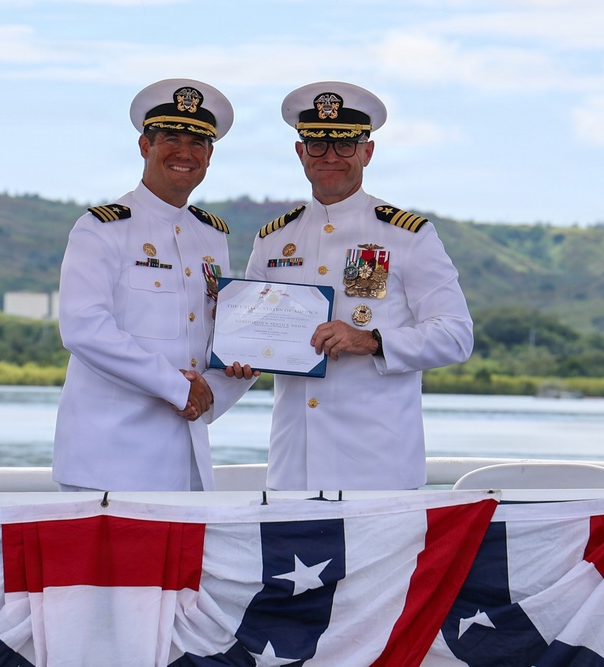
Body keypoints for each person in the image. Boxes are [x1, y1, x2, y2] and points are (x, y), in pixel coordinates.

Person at [245, 81, 473, 490]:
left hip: (377, 469)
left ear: (367, 152)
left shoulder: (408, 235)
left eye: (345, 144)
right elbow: (248, 338)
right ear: (301, 152)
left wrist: (371, 341)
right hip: (292, 468)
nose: (331, 156)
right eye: (317, 144)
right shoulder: (273, 240)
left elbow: (456, 336)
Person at [53, 78, 256, 492]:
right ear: (145, 146)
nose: (184, 152)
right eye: (170, 138)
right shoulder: (102, 228)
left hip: (187, 456)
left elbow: (221, 335)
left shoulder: (211, 236)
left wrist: (214, 389)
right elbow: (83, 328)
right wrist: (178, 387)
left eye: (197, 143)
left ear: (210, 155)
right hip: (108, 459)